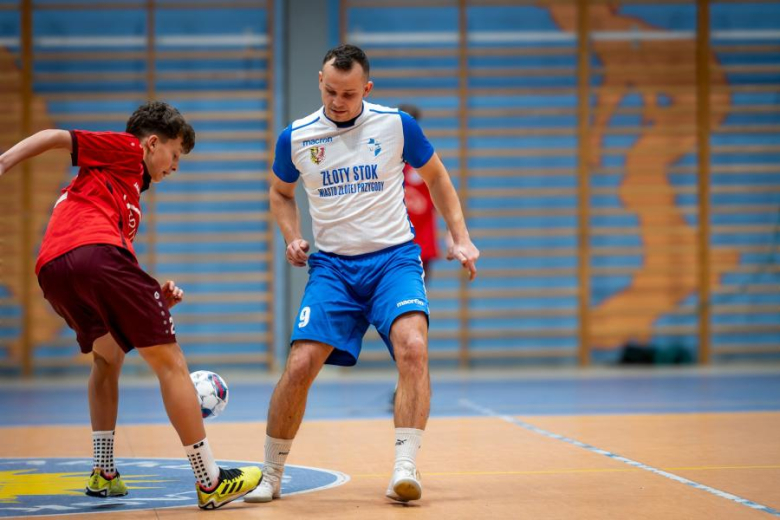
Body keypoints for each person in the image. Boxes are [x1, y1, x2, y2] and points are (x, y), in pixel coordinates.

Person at [244, 44, 479, 505]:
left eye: (349, 94)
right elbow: (280, 193)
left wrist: (461, 237)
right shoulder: (296, 137)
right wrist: (292, 236)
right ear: (320, 81)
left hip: (394, 260)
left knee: (413, 348)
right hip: (334, 268)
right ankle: (271, 473)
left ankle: (405, 468)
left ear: (366, 88)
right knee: (300, 364)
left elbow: (437, 177)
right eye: (331, 91)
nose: (338, 101)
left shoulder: (397, 125)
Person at [0, 101, 261, 510]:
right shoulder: (126, 149)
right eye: (175, 154)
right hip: (94, 255)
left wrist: (153, 297)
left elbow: (110, 270)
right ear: (152, 143)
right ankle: (210, 481)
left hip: (54, 269)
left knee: (108, 358)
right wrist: (3, 162)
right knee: (171, 362)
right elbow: (56, 137)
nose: (175, 166)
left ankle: (103, 472)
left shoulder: (117, 190)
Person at [398, 104, 440, 280]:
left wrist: (454, 234)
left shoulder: (425, 157)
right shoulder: (384, 156)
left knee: (420, 287)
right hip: (395, 237)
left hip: (422, 234)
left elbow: (440, 194)